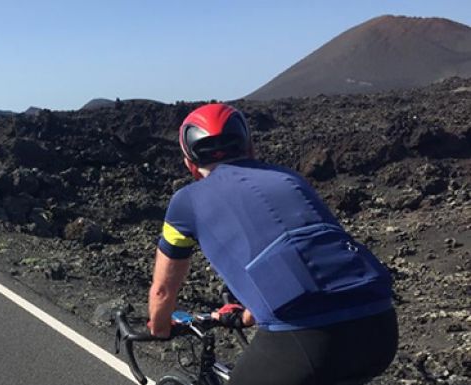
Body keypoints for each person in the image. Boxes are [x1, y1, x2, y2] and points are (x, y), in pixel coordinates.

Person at [146, 103, 398, 385]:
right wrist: (252, 311)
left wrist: (159, 327)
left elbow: (163, 290)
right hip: (380, 326)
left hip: (308, 341)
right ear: (250, 148)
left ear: (190, 164)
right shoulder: (290, 179)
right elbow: (307, 252)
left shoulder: (186, 201)